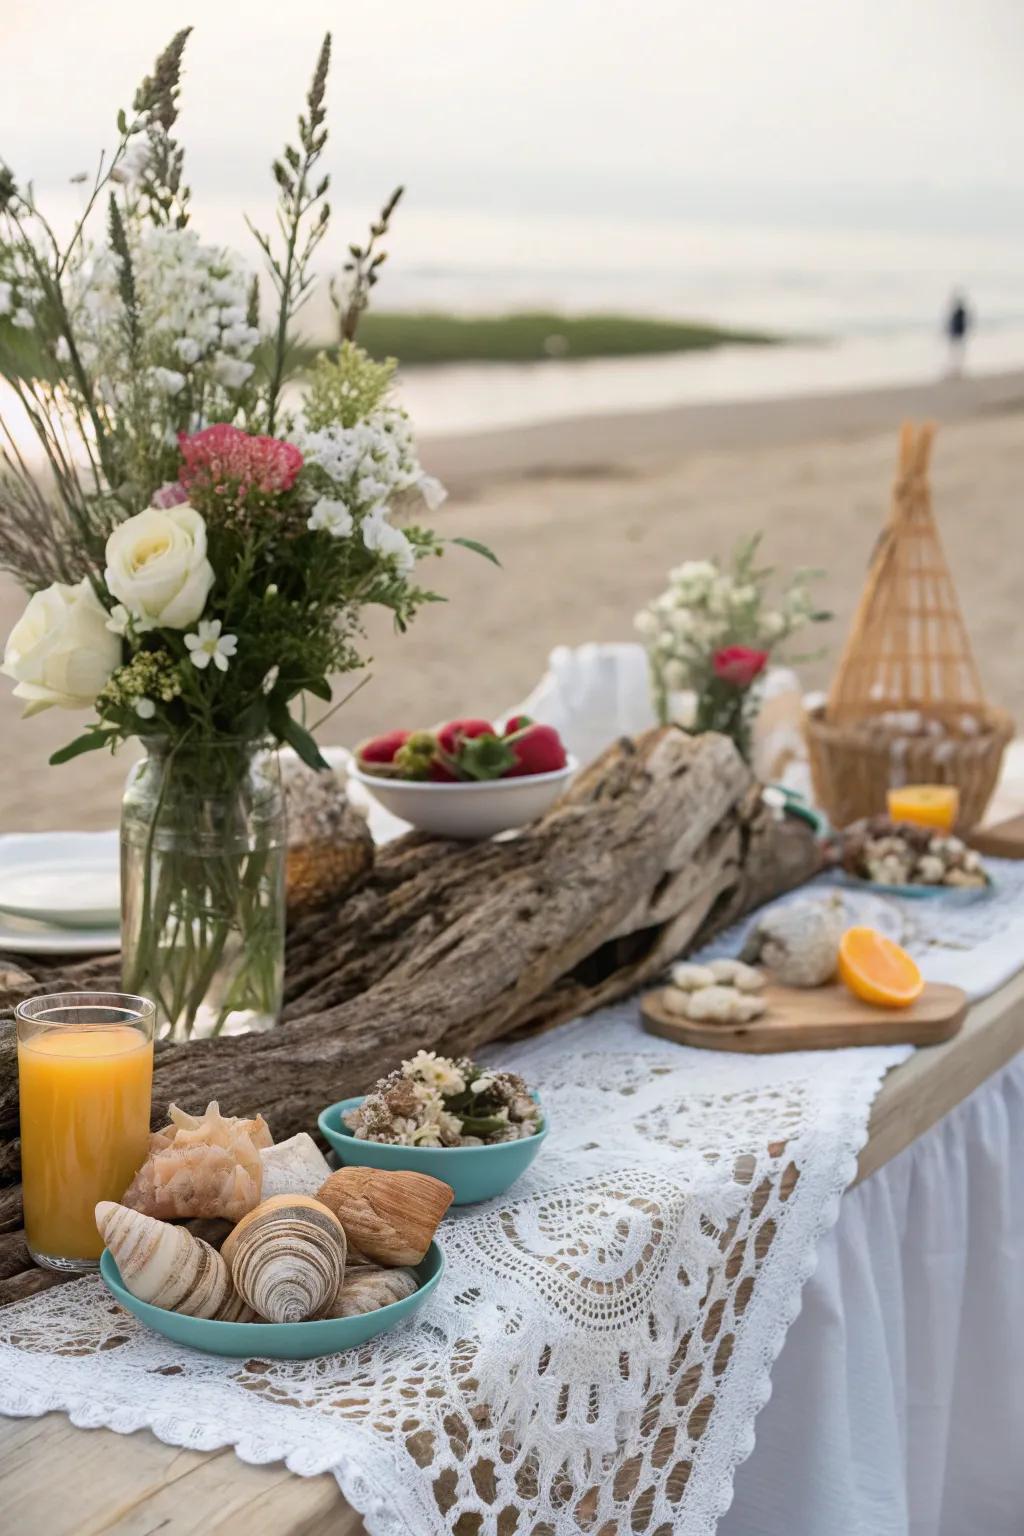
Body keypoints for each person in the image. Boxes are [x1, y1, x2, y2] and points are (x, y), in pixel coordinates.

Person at [945, 290, 971, 376]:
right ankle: (956, 368)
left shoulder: (959, 312)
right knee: (956, 352)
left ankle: (957, 368)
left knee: (957, 352)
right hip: (958, 334)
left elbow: (959, 324)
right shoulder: (960, 312)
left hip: (958, 334)